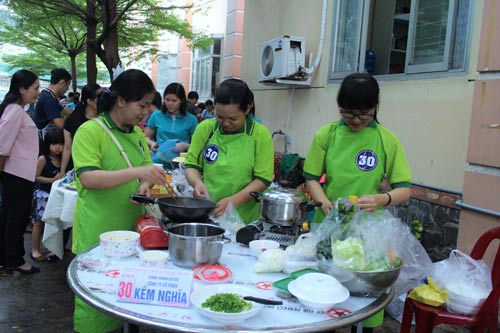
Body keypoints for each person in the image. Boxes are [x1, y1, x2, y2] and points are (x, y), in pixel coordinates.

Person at [303, 73, 412, 331]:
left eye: (364, 114)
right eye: (348, 113)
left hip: (368, 232)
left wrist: (382, 199)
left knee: (364, 301)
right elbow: (311, 177)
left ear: (375, 107)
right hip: (329, 226)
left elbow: (404, 189)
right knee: (323, 297)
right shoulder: (327, 135)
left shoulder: (386, 140)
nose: (355, 120)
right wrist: (324, 202)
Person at [71, 69, 166, 333]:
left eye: (149, 105)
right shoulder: (90, 131)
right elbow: (89, 178)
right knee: (96, 309)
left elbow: (147, 169)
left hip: (133, 235)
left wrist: (145, 183)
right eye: (142, 105)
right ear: (121, 100)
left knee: (128, 305)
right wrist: (138, 173)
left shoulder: (136, 134)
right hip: (97, 237)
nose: (146, 112)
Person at [184, 78, 274, 223]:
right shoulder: (205, 129)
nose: (226, 123)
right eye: (219, 116)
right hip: (208, 212)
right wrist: (197, 183)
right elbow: (191, 165)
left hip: (244, 218)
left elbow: (263, 179)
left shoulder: (260, 135)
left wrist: (233, 201)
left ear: (248, 108)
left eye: (233, 118)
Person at [0, 69, 41, 274]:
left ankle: (7, 257)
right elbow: (2, 144)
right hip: (16, 173)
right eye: (35, 88)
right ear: (22, 88)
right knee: (16, 217)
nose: (37, 92)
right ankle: (15, 259)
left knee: (9, 216)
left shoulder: (16, 109)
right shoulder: (15, 111)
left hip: (18, 172)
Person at [144, 83, 198, 168]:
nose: (169, 103)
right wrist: (152, 144)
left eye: (174, 101)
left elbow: (198, 145)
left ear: (181, 101)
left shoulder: (191, 120)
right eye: (167, 99)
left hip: (180, 166)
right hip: (158, 163)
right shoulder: (156, 115)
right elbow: (145, 137)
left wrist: (184, 146)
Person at [31, 128, 64, 263]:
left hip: (57, 194)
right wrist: (52, 180)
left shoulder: (62, 159)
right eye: (54, 144)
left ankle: (54, 247)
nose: (58, 147)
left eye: (60, 144)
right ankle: (35, 249)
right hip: (43, 195)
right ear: (47, 144)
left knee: (57, 222)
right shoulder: (43, 159)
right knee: (39, 223)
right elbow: (35, 177)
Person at [60, 83, 102, 175]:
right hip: (79, 166)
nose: (104, 99)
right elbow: (67, 147)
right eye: (100, 97)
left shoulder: (105, 118)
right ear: (89, 101)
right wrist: (62, 171)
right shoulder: (73, 120)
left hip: (102, 164)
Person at [32, 68, 72, 136]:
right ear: (62, 82)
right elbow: (60, 124)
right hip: (41, 137)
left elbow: (65, 110)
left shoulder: (49, 95)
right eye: (68, 85)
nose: (67, 89)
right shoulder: (48, 99)